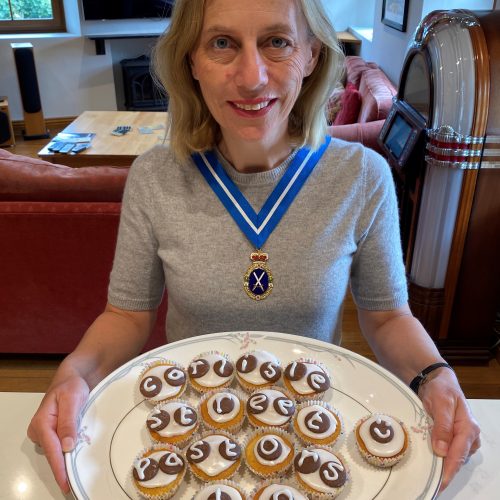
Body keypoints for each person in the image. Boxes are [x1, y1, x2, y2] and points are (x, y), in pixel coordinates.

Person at [28, 0, 480, 495]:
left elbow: (388, 317)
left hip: (311, 439)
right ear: (191, 62)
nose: (252, 77)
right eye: (222, 43)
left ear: (310, 56)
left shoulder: (363, 177)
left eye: (277, 42)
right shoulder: (154, 177)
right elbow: (127, 316)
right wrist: (74, 373)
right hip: (187, 438)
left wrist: (434, 375)